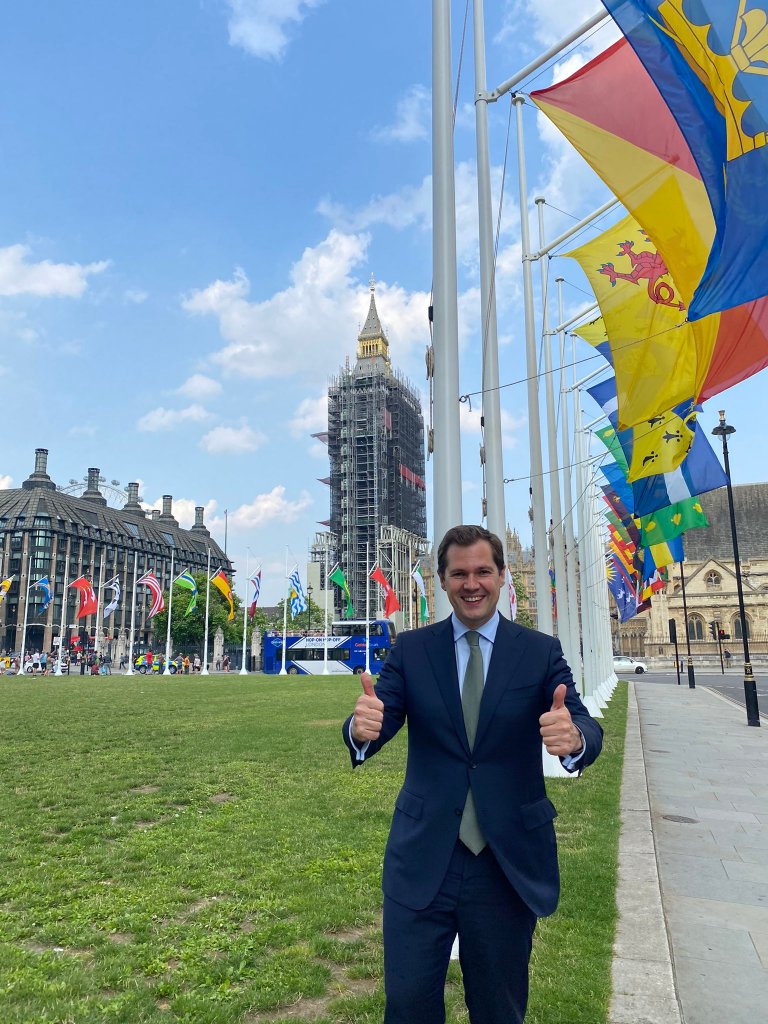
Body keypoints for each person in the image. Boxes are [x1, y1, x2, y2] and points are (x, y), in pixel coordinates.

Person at [343, 525, 603, 1024]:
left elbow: (582, 720)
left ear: (502, 576)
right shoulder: (413, 650)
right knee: (408, 1006)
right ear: (442, 581)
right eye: (459, 573)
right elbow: (380, 718)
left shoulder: (538, 651)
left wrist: (576, 741)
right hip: (423, 858)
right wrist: (362, 728)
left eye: (483, 571)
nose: (472, 583)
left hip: (504, 865)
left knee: (499, 1009)